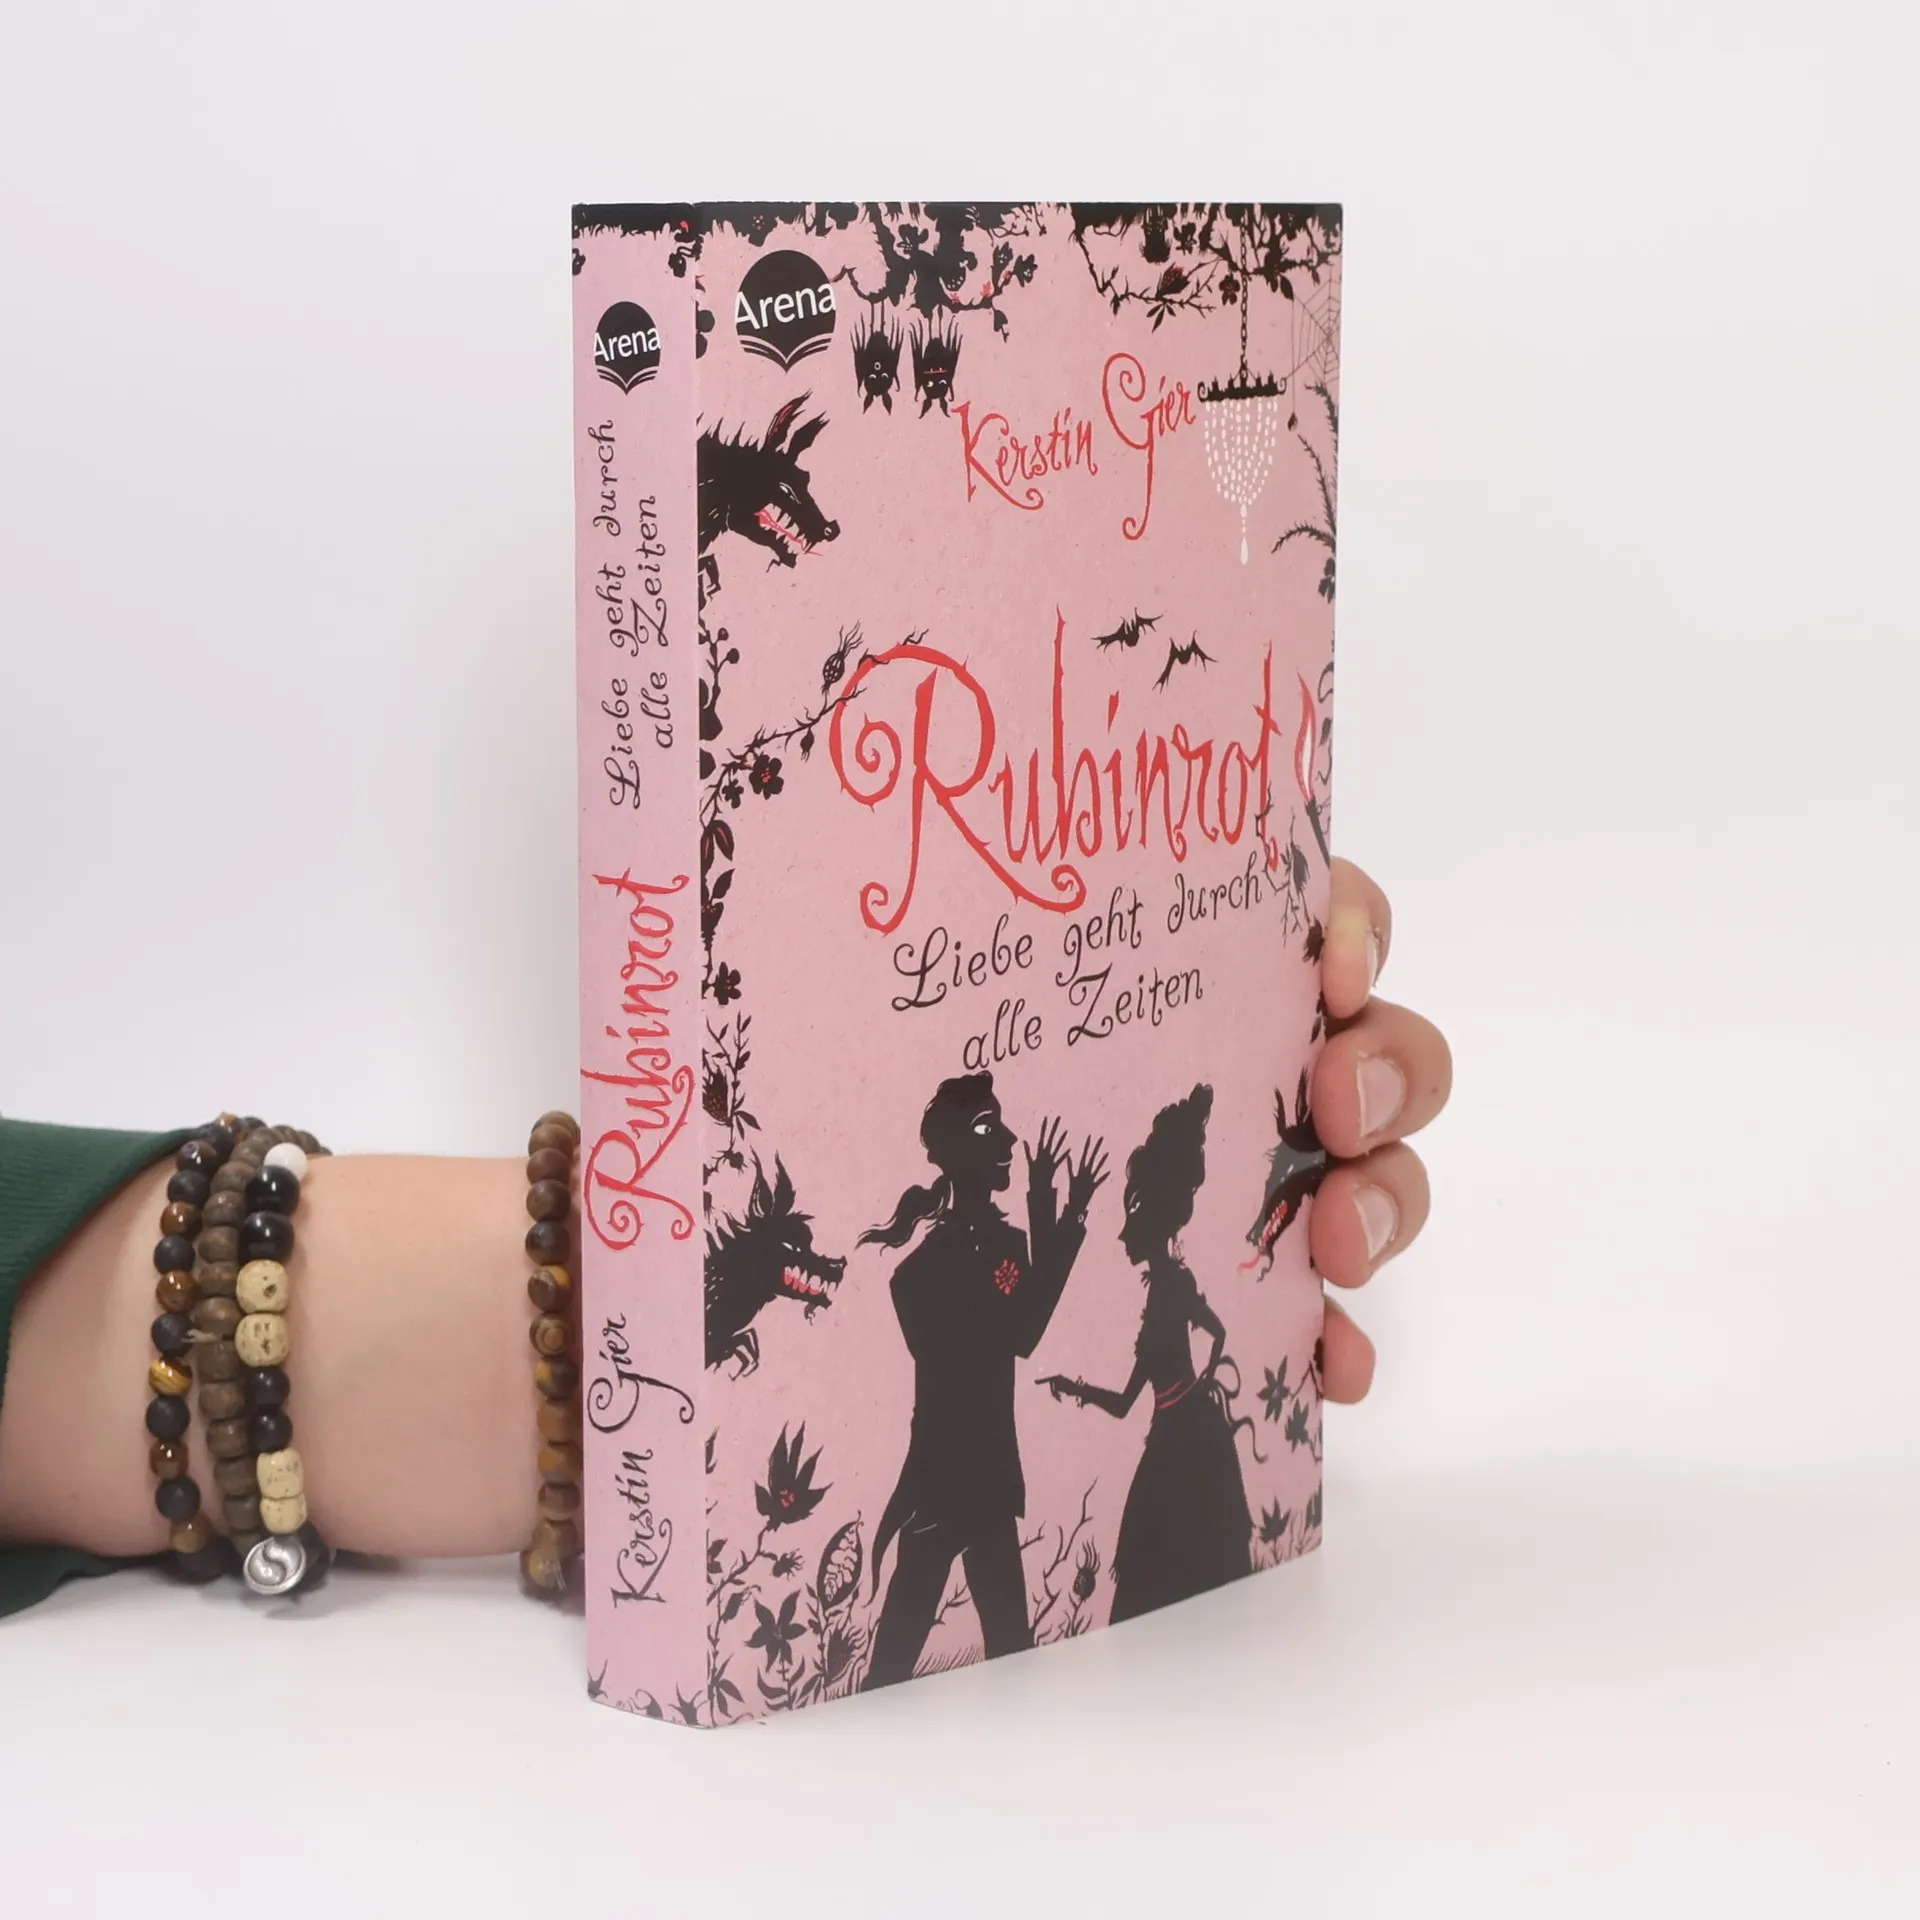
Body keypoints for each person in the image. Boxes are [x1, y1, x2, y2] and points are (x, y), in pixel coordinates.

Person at [0, 858, 1451, 1616]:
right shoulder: (926, 1259)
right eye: (995, 1139)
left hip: (1010, 1501)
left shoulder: (965, 1240)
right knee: (942, 1638)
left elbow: (1031, 1340)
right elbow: (997, 1336)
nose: (1013, 1150)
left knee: (991, 1654)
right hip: (948, 1490)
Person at [861, 1079, 1107, 1688]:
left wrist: (1055, 1205)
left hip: (984, 1480)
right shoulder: (921, 1273)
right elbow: (1018, 1330)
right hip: (943, 1481)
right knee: (900, 1659)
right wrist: (1055, 1206)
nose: (1008, 1140)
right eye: (986, 1128)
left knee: (1010, 1649)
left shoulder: (996, 1248)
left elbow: (1023, 1328)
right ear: (953, 1152)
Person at [1041, 1083, 1258, 1622]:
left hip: (1187, 1441)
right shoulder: (1165, 1288)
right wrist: (1073, 1387)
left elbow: (1217, 1332)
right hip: (1173, 1433)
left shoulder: (1172, 1287)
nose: (1123, 1233)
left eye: (1133, 1212)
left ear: (1158, 1213)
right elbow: (1125, 1401)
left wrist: (1204, 1382)